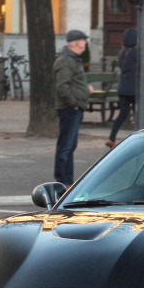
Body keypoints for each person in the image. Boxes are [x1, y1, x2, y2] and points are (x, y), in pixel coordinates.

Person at [53, 29, 90, 186]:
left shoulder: (73, 59)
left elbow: (71, 83)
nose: (86, 43)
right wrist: (74, 104)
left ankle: (68, 180)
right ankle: (62, 180)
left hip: (75, 108)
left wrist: (84, 89)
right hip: (69, 109)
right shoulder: (65, 60)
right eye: (83, 40)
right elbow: (62, 86)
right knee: (66, 146)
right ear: (76, 42)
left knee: (70, 146)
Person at [106, 28, 138, 148]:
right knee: (138, 113)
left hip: (123, 87)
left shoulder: (121, 52)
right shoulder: (136, 52)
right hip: (134, 88)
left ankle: (111, 138)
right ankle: (140, 138)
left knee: (122, 114)